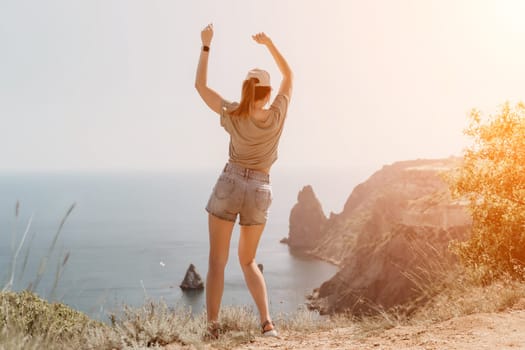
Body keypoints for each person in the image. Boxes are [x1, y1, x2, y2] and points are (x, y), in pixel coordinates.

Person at [195, 23, 293, 339]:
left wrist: (206, 45)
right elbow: (289, 76)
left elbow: (201, 87)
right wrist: (269, 43)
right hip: (261, 188)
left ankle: (212, 329)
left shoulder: (234, 113)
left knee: (216, 262)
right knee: (248, 261)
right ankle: (267, 325)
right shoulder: (277, 114)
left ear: (246, 88)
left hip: (231, 183)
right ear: (266, 91)